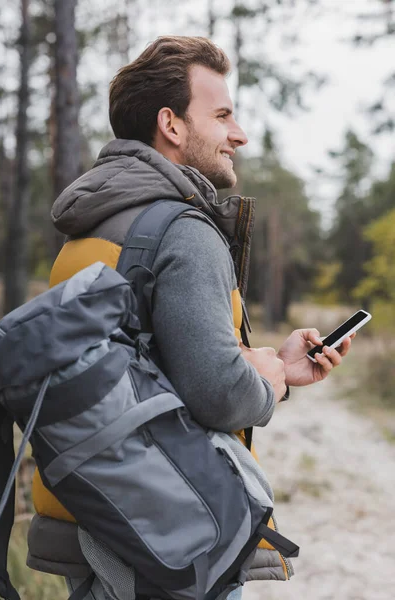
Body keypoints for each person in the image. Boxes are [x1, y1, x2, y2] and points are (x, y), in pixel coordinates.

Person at [27, 36, 352, 600]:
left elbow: (143, 367)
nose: (239, 135)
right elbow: (219, 395)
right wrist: (264, 382)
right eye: (222, 115)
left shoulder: (88, 230)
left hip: (91, 519)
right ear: (171, 125)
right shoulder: (183, 230)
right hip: (166, 539)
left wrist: (272, 364)